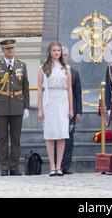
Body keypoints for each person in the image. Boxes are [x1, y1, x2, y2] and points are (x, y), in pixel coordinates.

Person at [0, 39, 30, 176]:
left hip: (18, 105)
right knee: (2, 139)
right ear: (3, 50)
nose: (10, 50)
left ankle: (14, 167)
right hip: (1, 107)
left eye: (12, 48)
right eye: (7, 49)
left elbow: (25, 87)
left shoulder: (21, 65)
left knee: (16, 139)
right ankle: (4, 167)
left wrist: (26, 107)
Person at [37, 42, 73, 177]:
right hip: (49, 100)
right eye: (54, 50)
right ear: (49, 52)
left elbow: (69, 89)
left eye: (58, 50)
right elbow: (40, 89)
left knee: (62, 134)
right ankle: (52, 166)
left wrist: (71, 108)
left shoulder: (66, 68)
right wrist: (40, 108)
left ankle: (59, 167)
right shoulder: (43, 68)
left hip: (62, 100)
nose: (56, 52)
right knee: (51, 135)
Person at [61, 46, 82, 175]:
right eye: (61, 54)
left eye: (65, 54)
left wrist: (78, 112)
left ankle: (66, 166)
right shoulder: (51, 71)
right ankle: (57, 165)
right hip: (57, 109)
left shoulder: (74, 72)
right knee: (58, 137)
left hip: (71, 111)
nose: (63, 56)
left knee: (69, 139)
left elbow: (78, 94)